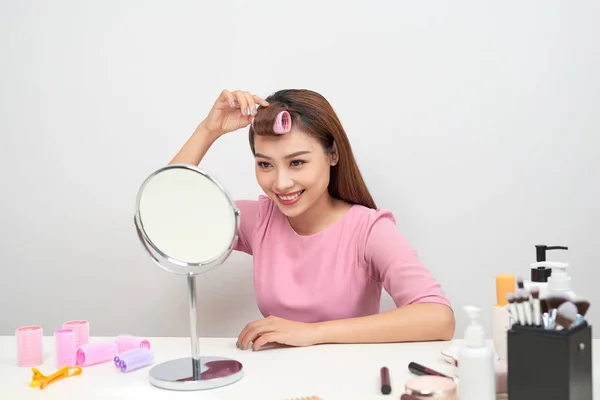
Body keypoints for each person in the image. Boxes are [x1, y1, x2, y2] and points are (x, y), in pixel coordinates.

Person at [170, 89, 455, 351]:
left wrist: (312, 332)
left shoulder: (369, 230)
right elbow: (165, 211)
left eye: (297, 162)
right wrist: (208, 130)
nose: (281, 183)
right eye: (265, 164)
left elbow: (438, 317)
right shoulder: (259, 220)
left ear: (333, 154)